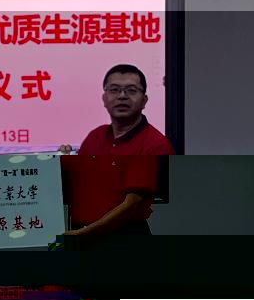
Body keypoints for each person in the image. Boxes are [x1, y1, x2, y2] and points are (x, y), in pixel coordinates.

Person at [57, 64, 175, 244]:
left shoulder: (154, 145)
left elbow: (132, 205)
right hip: (83, 237)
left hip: (124, 241)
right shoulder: (95, 136)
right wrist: (56, 162)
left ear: (144, 100)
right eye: (114, 90)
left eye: (131, 90)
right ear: (104, 98)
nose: (122, 96)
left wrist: (83, 234)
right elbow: (75, 182)